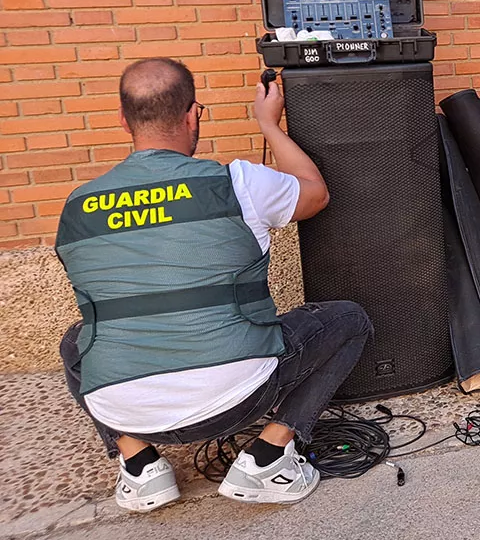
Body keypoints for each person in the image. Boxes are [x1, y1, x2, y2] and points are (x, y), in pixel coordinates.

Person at [55, 58, 374, 513]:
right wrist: (268, 123)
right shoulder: (237, 182)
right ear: (192, 115)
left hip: (124, 412)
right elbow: (314, 193)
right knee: (347, 319)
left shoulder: (76, 206)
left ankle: (139, 465)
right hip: (237, 402)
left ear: (123, 120)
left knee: (76, 342)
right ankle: (268, 457)